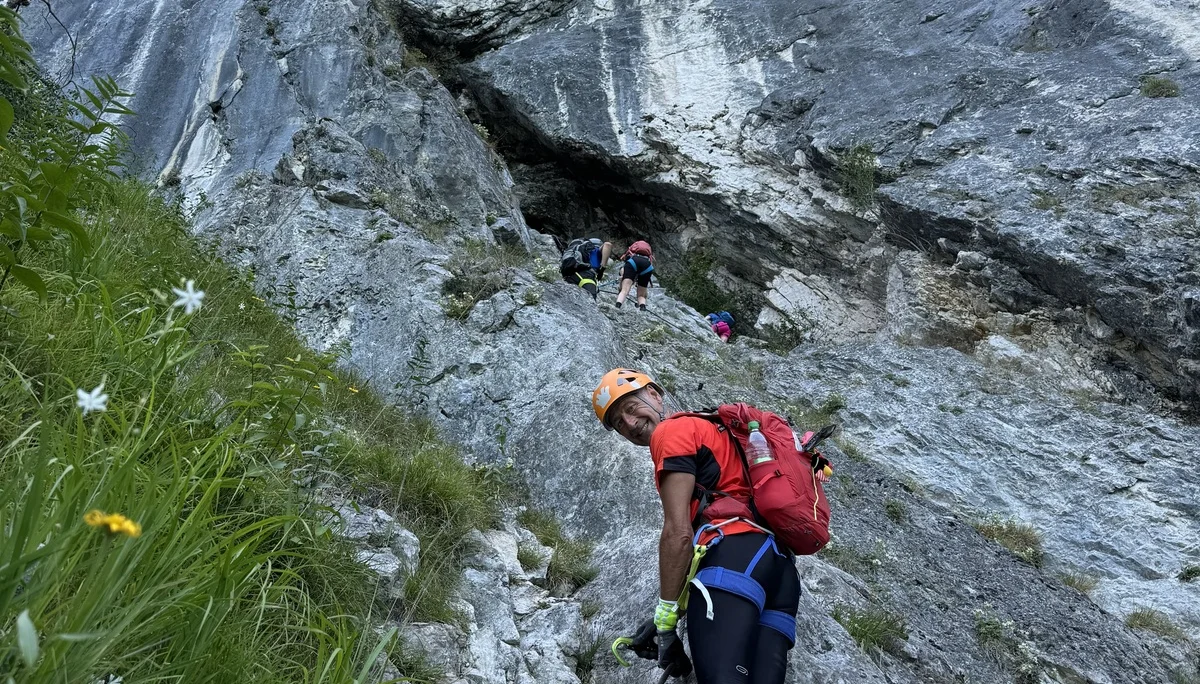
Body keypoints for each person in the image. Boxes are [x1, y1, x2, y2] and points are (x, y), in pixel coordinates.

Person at [592, 369, 800, 684]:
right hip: (780, 575)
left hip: (736, 559)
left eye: (631, 409)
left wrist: (665, 621)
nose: (631, 424)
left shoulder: (670, 433)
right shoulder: (713, 428)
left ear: (655, 395)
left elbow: (678, 534)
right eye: (620, 423)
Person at [615, 240, 654, 310]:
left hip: (633, 262)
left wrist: (620, 288)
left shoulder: (630, 256)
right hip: (647, 266)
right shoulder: (648, 258)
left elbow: (624, 274)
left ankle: (617, 306)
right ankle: (642, 307)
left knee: (624, 290)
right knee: (641, 295)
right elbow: (644, 292)